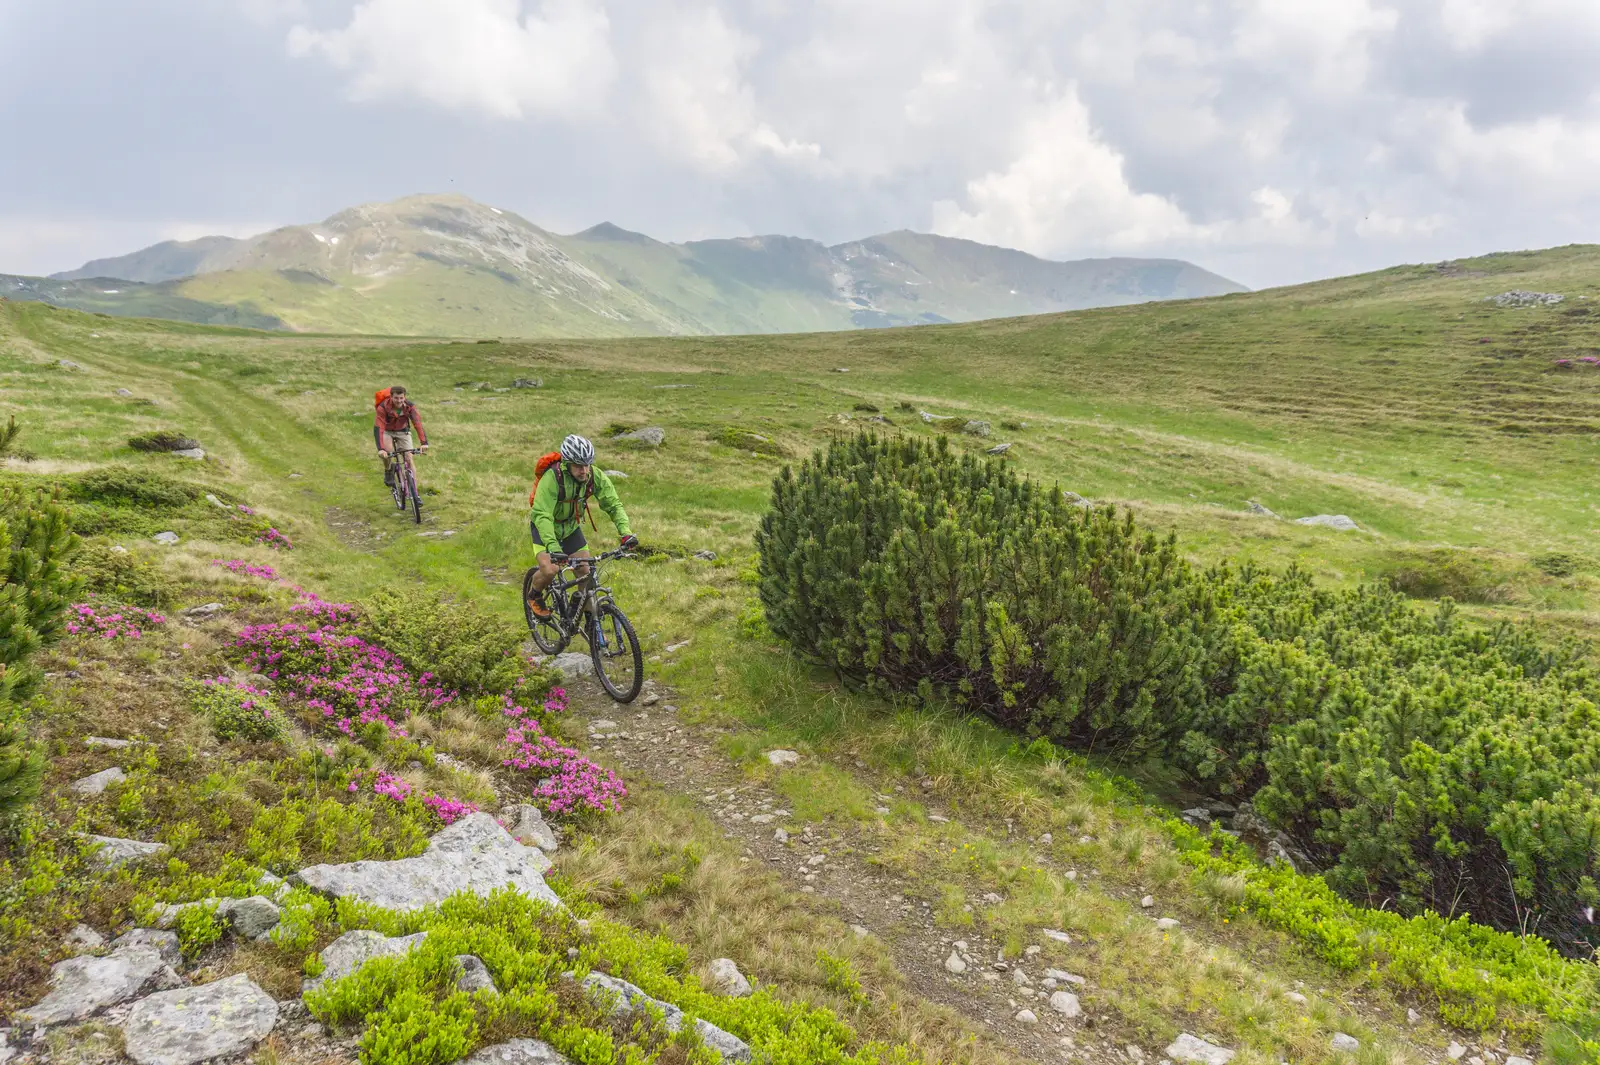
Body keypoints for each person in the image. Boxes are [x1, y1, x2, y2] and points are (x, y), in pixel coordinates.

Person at [526, 434, 637, 618]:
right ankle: (534, 594)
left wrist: (626, 533)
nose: (584, 470)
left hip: (570, 528)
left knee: (585, 572)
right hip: (545, 527)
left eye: (587, 464)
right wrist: (553, 547)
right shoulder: (553, 478)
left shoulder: (594, 476)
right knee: (550, 569)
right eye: (578, 466)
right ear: (568, 463)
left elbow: (613, 504)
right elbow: (542, 515)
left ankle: (584, 617)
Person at [374, 385, 428, 492]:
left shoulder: (409, 407)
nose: (399, 401)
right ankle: (388, 470)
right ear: (391, 397)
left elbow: (417, 423)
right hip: (387, 431)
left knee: (409, 458)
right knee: (387, 453)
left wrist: (424, 443)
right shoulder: (383, 407)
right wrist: (381, 449)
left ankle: (414, 492)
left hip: (403, 431)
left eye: (401, 398)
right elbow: (379, 428)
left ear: (404, 397)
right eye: (396, 398)